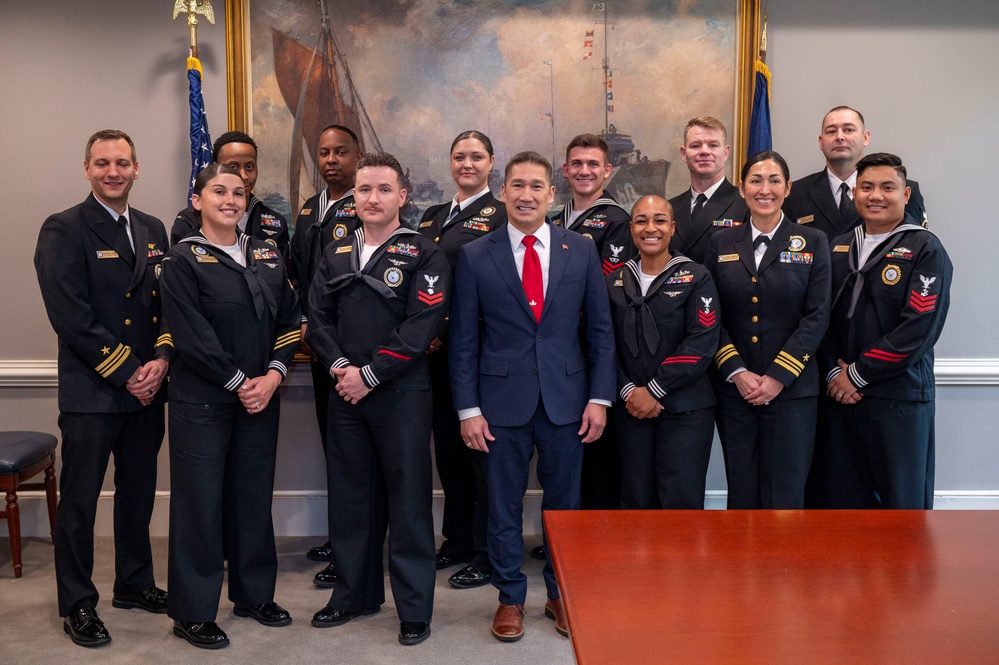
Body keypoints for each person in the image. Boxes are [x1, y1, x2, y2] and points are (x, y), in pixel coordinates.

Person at [449, 151, 615, 642]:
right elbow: (463, 340)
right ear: (503, 192)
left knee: (564, 509)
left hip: (568, 400)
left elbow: (601, 334)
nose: (525, 195)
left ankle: (560, 594)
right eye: (516, 185)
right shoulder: (477, 255)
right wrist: (468, 409)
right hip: (499, 404)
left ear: (551, 194)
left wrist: (600, 399)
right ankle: (510, 599)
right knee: (502, 506)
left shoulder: (579, 250)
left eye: (536, 186)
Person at [34, 129, 172, 647]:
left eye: (122, 162)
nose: (112, 171)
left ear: (137, 168)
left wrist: (160, 359)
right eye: (102, 163)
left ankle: (134, 584)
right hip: (94, 390)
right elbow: (69, 314)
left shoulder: (154, 228)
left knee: (136, 496)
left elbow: (167, 305)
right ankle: (78, 603)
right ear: (86, 169)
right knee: (80, 503)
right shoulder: (64, 228)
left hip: (146, 391)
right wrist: (128, 370)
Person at [306, 153, 448, 646]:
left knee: (407, 504)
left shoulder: (423, 252)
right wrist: (342, 369)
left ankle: (413, 609)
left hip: (401, 395)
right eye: (363, 190)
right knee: (350, 499)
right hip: (346, 393)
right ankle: (352, 595)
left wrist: (370, 373)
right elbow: (316, 317)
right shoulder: (337, 251)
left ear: (402, 197)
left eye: (384, 189)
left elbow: (420, 327)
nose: (372, 198)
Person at [160, 164, 301, 649]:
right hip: (203, 400)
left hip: (261, 396)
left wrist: (274, 374)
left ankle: (253, 594)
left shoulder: (265, 252)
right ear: (197, 200)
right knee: (200, 504)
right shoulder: (182, 259)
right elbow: (190, 334)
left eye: (238, 193)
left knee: (251, 497)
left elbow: (290, 317)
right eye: (218, 191)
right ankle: (193, 611)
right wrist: (241, 381)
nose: (230, 199)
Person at [814, 153, 951, 509]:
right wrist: (833, 371)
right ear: (855, 193)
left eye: (887, 187)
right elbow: (817, 318)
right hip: (840, 398)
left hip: (898, 398)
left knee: (901, 508)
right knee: (842, 507)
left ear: (905, 195)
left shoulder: (926, 248)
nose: (876, 195)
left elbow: (918, 328)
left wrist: (858, 375)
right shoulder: (838, 246)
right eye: (867, 187)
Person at [704, 151, 831, 509]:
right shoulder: (721, 244)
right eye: (756, 181)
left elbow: (817, 315)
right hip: (736, 392)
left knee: (785, 496)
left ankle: (783, 566)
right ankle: (742, 566)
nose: (765, 189)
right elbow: (710, 316)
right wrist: (738, 372)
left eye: (774, 180)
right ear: (742, 189)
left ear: (788, 188)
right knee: (741, 491)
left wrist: (777, 376)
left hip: (792, 392)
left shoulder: (812, 241)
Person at [417, 130, 506, 589]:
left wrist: (441, 332)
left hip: (476, 354)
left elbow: (494, 293)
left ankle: (488, 550)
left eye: (476, 157)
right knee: (449, 452)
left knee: (482, 454)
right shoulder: (432, 216)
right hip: (433, 356)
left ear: (492, 162)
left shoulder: (501, 215)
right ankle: (456, 538)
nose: (466, 164)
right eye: (459, 156)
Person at [607, 195, 719, 509]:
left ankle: (681, 562)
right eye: (641, 221)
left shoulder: (696, 277)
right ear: (631, 229)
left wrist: (654, 391)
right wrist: (629, 391)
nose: (650, 228)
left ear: (672, 227)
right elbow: (603, 346)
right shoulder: (613, 281)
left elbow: (701, 342)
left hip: (685, 409)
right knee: (636, 498)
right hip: (630, 409)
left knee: (680, 501)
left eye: (659, 220)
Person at [288, 124, 362, 588]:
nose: (331, 159)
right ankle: (341, 537)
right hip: (320, 346)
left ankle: (356, 546)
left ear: (358, 156)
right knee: (336, 450)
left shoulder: (368, 204)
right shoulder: (310, 210)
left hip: (356, 353)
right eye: (323, 152)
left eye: (341, 152)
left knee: (357, 456)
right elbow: (298, 271)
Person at [551, 133, 633, 519]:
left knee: (597, 442)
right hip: (559, 349)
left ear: (607, 171)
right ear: (566, 170)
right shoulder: (556, 219)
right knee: (568, 441)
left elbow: (604, 289)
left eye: (593, 165)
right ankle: (569, 527)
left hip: (592, 345)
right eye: (577, 164)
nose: (584, 171)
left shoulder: (616, 221)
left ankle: (593, 529)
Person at [783, 106, 927, 238]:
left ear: (865, 137)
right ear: (821, 141)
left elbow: (917, 246)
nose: (839, 137)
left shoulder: (902, 191)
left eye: (848, 130)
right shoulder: (795, 194)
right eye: (831, 131)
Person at [170, 131, 290, 259]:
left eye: (249, 167)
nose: (243, 176)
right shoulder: (189, 219)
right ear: (216, 167)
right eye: (233, 167)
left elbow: (282, 273)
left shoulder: (275, 222)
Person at [669, 116, 750, 264]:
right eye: (695, 146)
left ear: (726, 152)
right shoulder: (670, 208)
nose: (704, 151)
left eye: (713, 145)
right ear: (683, 153)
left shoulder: (746, 205)